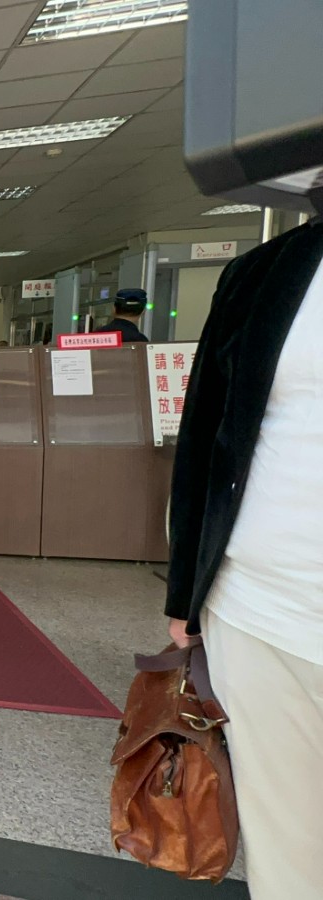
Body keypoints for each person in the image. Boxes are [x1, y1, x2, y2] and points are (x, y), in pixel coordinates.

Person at [165, 220, 323, 899]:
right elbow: (206, 437)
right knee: (287, 854)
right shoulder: (263, 274)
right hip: (260, 604)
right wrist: (185, 596)